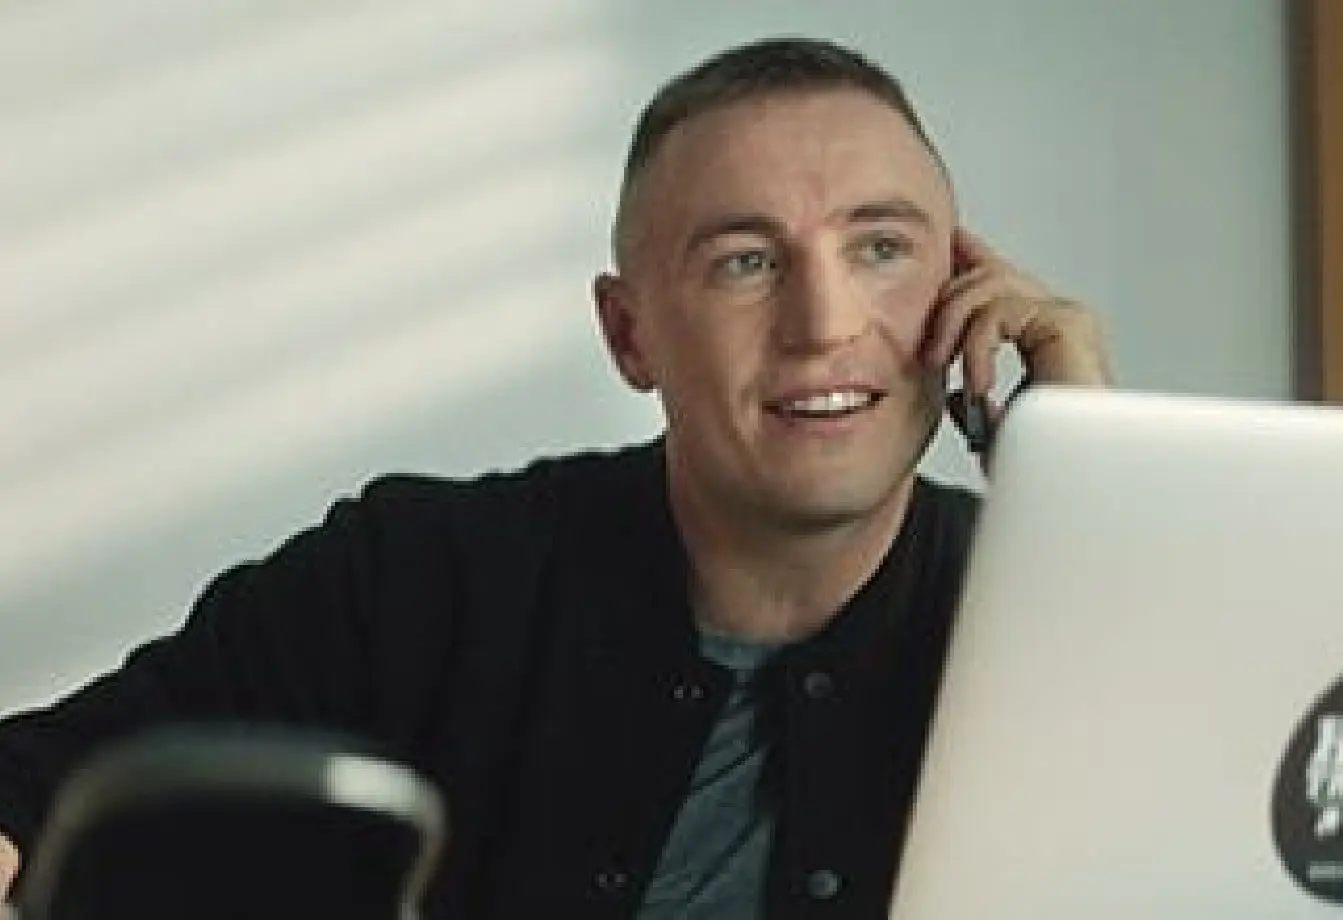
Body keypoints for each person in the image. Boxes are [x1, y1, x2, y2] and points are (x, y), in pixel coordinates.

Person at [0, 36, 1111, 918]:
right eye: (746, 262)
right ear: (629, 335)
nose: (823, 324)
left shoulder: (1054, 616)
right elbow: (41, 787)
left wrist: (1090, 473)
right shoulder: (418, 576)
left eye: (880, 249)